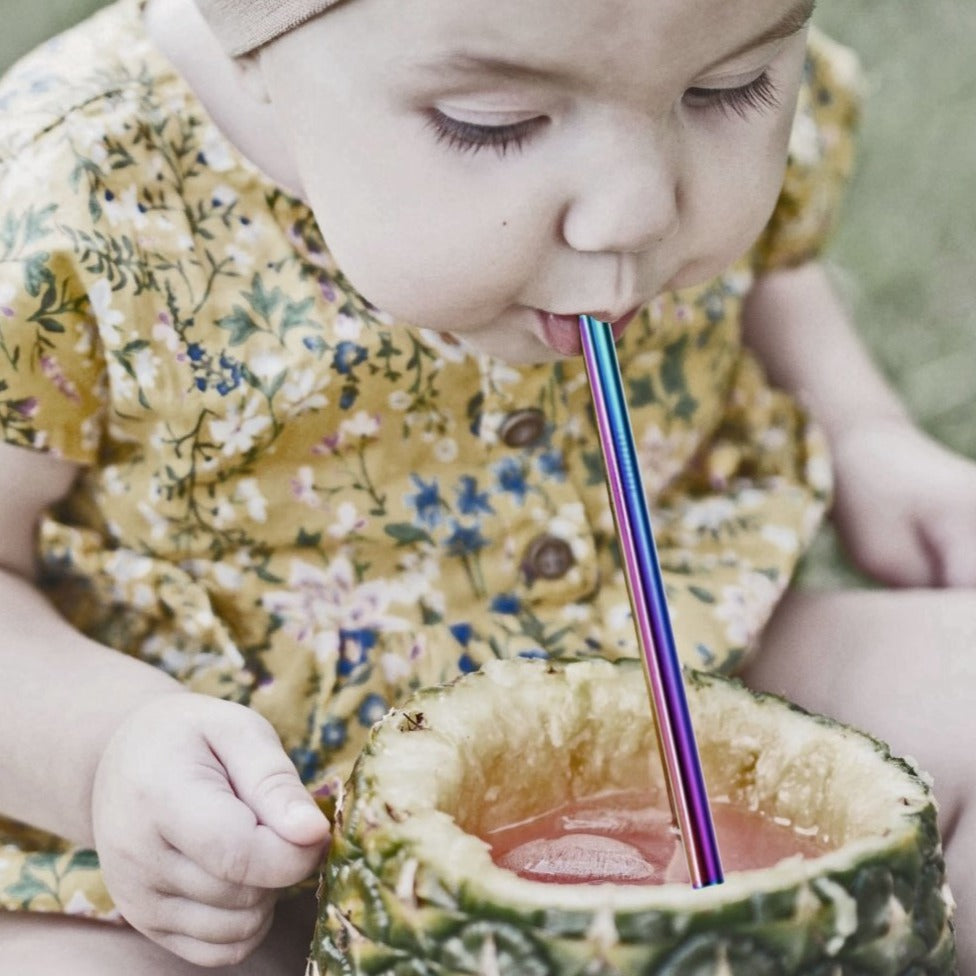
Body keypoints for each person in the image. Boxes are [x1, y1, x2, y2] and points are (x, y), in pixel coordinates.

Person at [0, 0, 972, 971]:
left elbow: (773, 270)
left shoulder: (659, 46)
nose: (636, 210)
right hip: (251, 843)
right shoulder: (74, 194)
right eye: (495, 122)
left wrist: (865, 431)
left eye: (730, 91)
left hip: (697, 665)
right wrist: (105, 750)